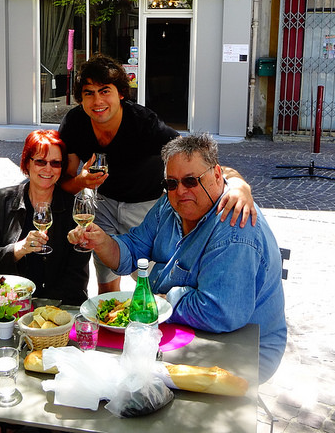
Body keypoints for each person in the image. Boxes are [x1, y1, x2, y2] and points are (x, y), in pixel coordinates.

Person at [69, 133, 286, 382]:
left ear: (217, 175)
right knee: (106, 372)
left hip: (243, 348)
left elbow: (219, 312)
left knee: (135, 381)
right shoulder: (169, 205)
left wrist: (162, 300)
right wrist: (102, 242)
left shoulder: (234, 225)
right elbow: (133, 249)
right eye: (171, 183)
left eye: (191, 181)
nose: (180, 191)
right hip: (182, 331)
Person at [58, 54, 257, 294]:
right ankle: (109, 320)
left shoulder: (145, 124)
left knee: (151, 279)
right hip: (103, 204)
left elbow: (197, 163)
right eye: (89, 93)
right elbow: (65, 183)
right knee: (106, 273)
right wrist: (81, 181)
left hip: (145, 207)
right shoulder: (75, 123)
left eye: (104, 91)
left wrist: (238, 185)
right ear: (81, 98)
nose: (97, 100)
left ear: (121, 93)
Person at [0, 130, 90, 306]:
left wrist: (46, 311)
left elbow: (77, 276)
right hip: (12, 303)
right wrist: (19, 249)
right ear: (26, 163)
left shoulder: (73, 208)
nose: (48, 169)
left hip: (60, 307)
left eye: (55, 163)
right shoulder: (2, 200)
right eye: (40, 161)